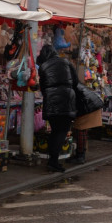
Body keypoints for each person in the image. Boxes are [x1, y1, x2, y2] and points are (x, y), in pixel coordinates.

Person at [37, 43, 79, 173]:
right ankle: (53, 161)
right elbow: (75, 81)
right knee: (62, 131)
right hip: (66, 99)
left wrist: (49, 94)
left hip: (51, 100)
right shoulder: (66, 62)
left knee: (55, 131)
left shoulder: (43, 67)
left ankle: (53, 160)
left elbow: (42, 86)